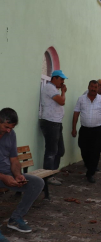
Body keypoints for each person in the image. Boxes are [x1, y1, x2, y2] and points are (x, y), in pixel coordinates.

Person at [0, 108, 45, 239]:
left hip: (7, 173)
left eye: (11, 128)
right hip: (2, 176)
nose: (9, 130)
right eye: (6, 127)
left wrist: (17, 175)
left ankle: (15, 218)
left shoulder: (11, 134)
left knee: (37, 183)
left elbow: (14, 159)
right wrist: (3, 177)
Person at [71, 80, 101, 183]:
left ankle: (90, 173)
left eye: (95, 87)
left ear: (98, 88)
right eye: (91, 87)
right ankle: (89, 166)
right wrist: (73, 128)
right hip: (84, 129)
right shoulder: (81, 99)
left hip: (97, 129)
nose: (93, 89)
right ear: (88, 87)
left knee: (95, 151)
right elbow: (76, 114)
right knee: (83, 148)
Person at [39, 69, 68, 186]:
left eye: (63, 80)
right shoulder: (50, 88)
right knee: (51, 151)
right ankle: (48, 177)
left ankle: (52, 174)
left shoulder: (54, 89)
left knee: (60, 151)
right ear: (54, 78)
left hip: (56, 122)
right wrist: (64, 92)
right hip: (50, 123)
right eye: (61, 79)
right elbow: (61, 101)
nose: (63, 82)